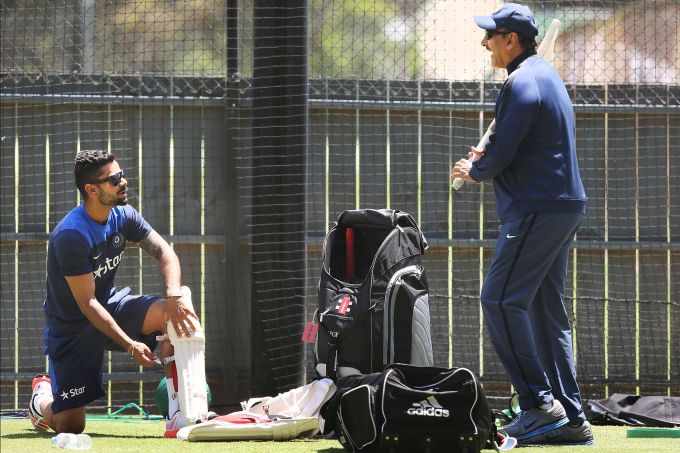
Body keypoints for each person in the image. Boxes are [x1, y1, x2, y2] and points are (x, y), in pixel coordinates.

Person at [450, 3, 593, 447]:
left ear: (511, 40)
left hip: (537, 208)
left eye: (491, 35)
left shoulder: (522, 81)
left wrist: (477, 169)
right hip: (560, 206)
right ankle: (571, 419)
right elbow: (523, 135)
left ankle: (538, 406)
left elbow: (509, 139)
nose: (484, 42)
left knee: (499, 299)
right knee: (547, 313)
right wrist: (487, 160)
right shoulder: (542, 73)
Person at [29, 149, 201, 437]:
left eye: (122, 175)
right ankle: (41, 399)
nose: (123, 182)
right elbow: (87, 304)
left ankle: (180, 413)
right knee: (70, 426)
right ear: (91, 190)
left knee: (177, 315)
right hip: (73, 328)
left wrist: (173, 296)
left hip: (111, 305)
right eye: (114, 179)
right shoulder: (71, 235)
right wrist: (131, 345)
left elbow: (165, 252)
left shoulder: (124, 215)